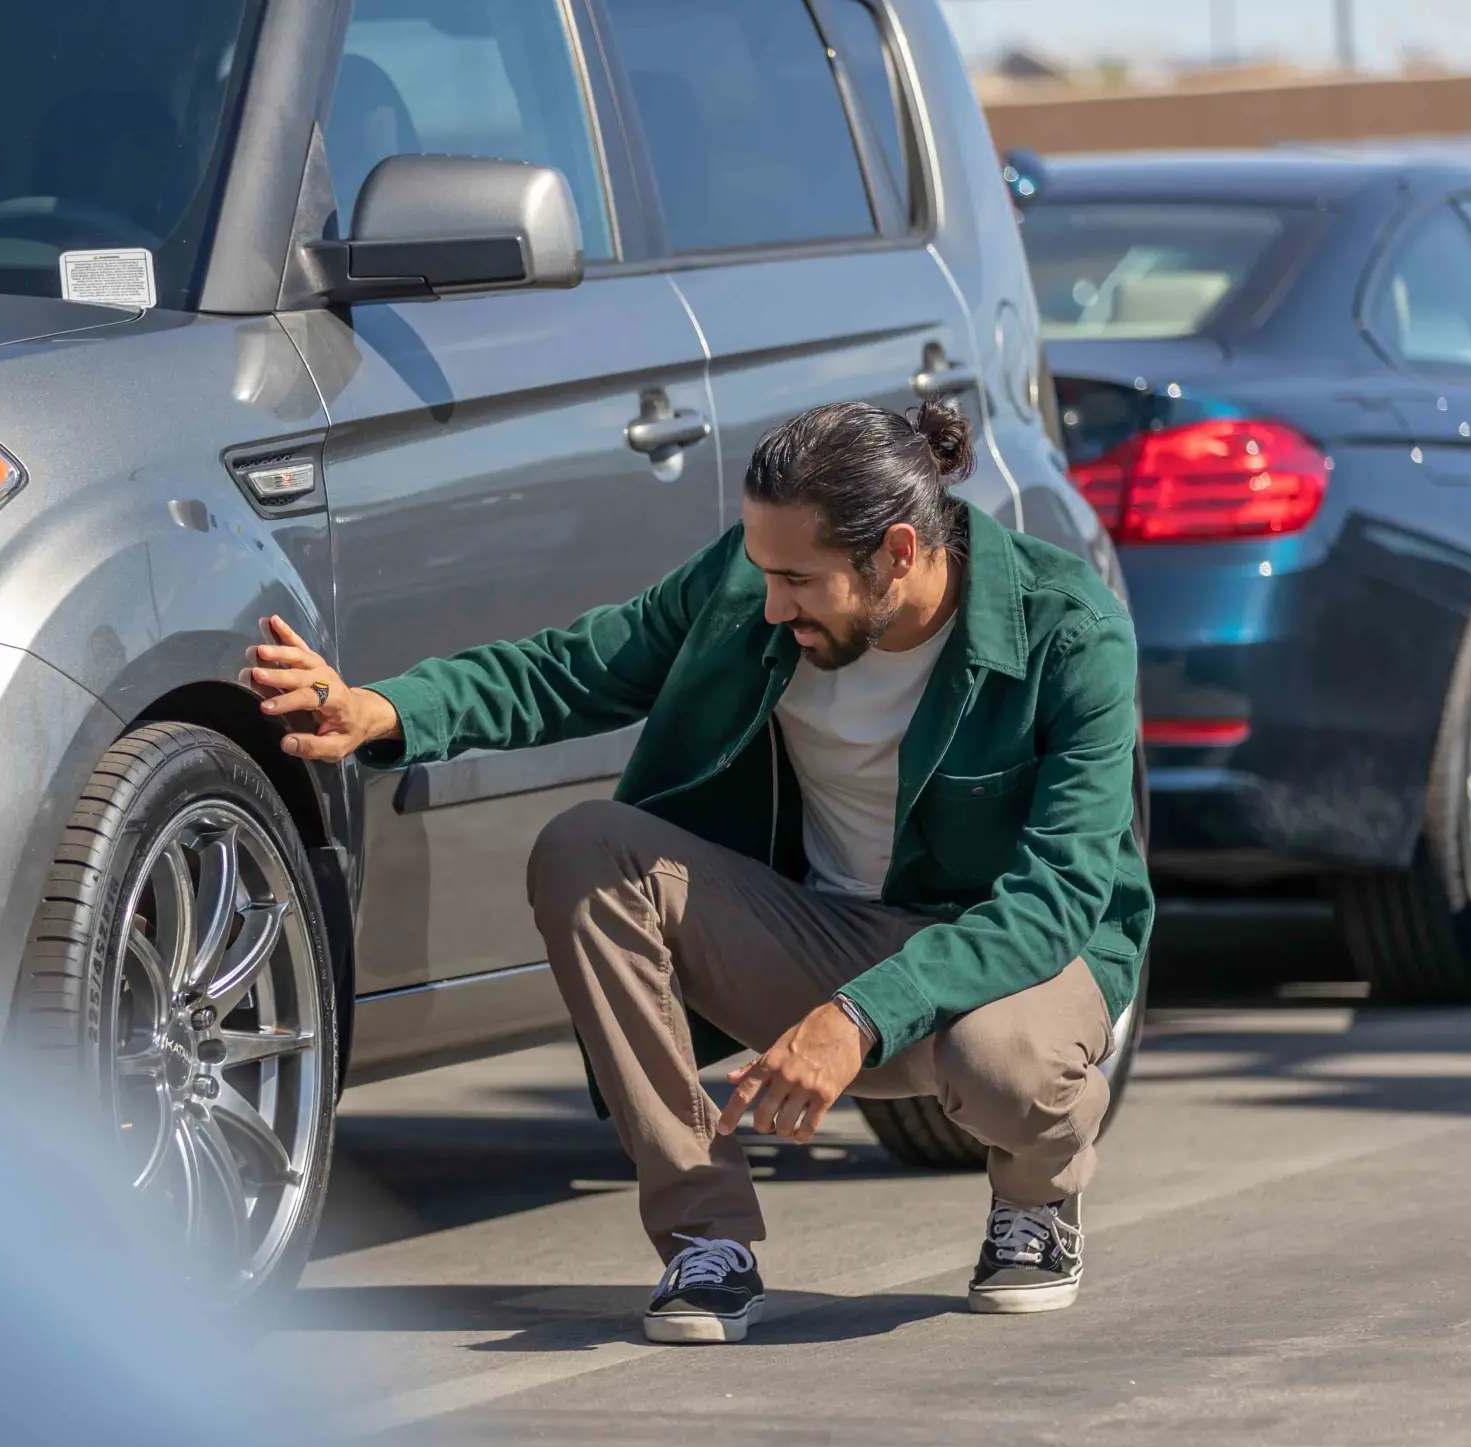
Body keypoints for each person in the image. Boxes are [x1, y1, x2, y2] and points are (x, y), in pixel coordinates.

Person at [247, 401, 1153, 1343]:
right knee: (586, 847)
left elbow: (1057, 898)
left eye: (799, 579)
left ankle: (1038, 1200)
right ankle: (704, 1238)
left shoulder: (1070, 630)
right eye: (764, 572)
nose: (771, 606)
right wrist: (383, 709)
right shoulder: (751, 587)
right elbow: (575, 667)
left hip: (1015, 964)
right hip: (823, 935)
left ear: (896, 553)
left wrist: (857, 1019)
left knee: (1001, 1064)